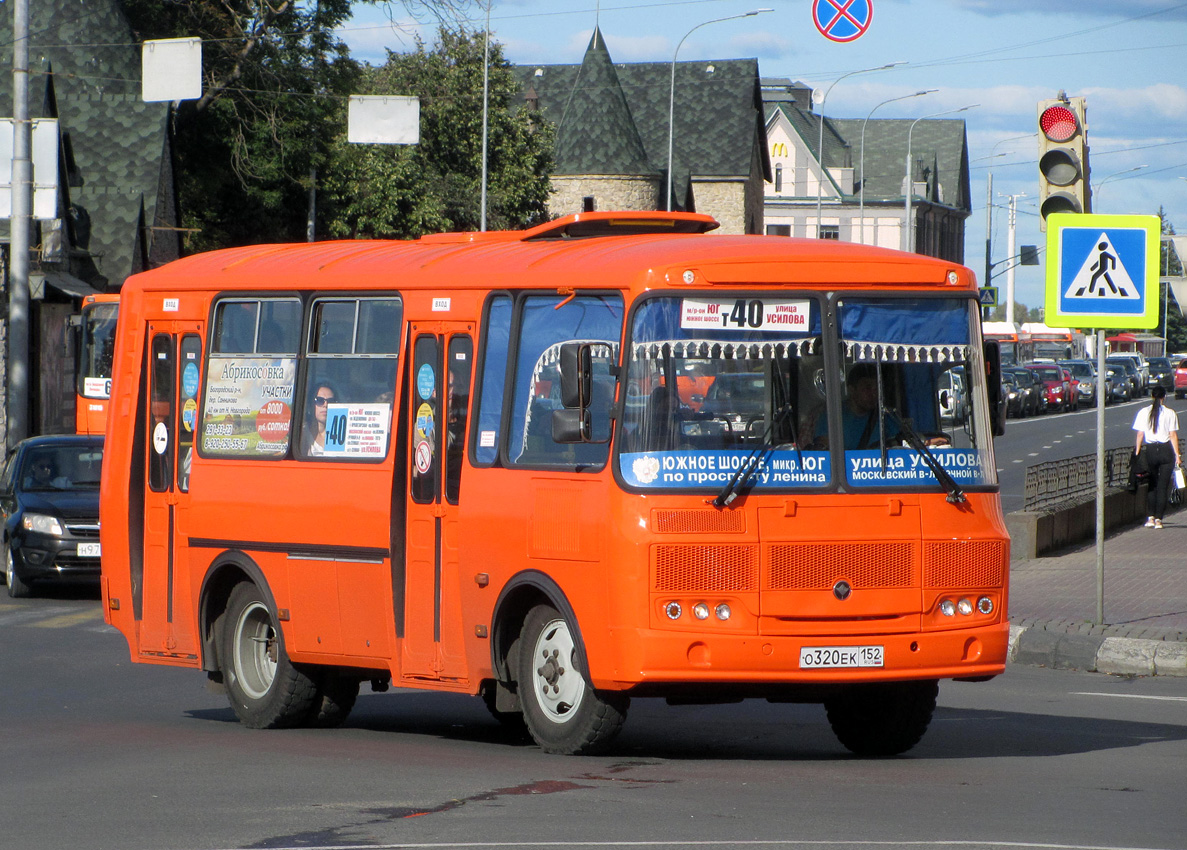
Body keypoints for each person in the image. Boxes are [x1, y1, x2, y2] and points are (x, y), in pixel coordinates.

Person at [1132, 385, 1181, 529]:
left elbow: (1140, 434)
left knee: (1152, 485)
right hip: (1166, 451)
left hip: (1151, 450)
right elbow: (1173, 435)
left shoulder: (1143, 412)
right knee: (1163, 486)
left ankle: (1150, 517)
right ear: (1164, 397)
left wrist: (1138, 452)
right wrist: (1177, 455)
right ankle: (1159, 519)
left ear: (1152, 396)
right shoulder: (1170, 413)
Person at [302, 381, 338, 456]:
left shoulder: (340, 435)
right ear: (310, 405)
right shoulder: (301, 434)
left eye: (331, 401)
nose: (326, 405)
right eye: (319, 400)